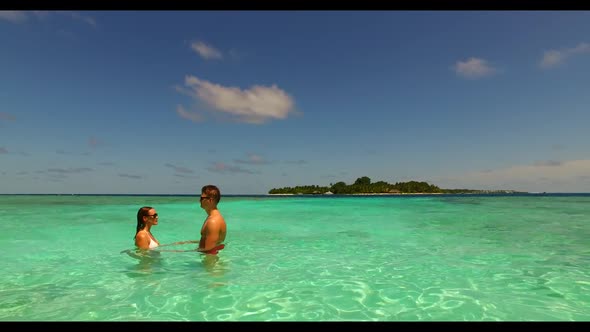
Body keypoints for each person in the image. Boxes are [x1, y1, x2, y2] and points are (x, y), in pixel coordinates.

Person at [197, 185, 227, 255]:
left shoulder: (213, 222)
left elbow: (209, 251)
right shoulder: (212, 217)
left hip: (211, 263)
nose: (199, 200)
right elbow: (213, 240)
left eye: (202, 198)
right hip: (212, 261)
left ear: (210, 200)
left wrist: (181, 252)